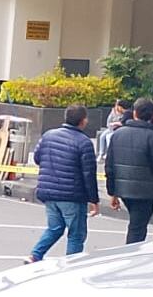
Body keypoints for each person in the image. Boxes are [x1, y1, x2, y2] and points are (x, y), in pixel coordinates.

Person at [28, 104, 100, 263]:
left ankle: (35, 255)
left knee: (55, 228)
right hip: (72, 196)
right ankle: (71, 264)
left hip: (48, 191)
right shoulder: (84, 142)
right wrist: (94, 200)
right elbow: (89, 174)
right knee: (76, 234)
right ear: (83, 121)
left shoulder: (48, 135)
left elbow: (37, 158)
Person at [105, 97, 153, 245]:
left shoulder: (118, 134)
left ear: (135, 113)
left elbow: (109, 166)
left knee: (135, 225)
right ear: (152, 116)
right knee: (137, 229)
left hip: (123, 189)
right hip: (145, 192)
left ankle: (131, 255)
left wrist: (112, 192)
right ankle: (131, 258)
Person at [97, 98, 131, 164]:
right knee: (102, 136)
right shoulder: (113, 112)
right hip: (111, 128)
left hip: (117, 129)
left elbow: (122, 123)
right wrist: (111, 125)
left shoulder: (126, 113)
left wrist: (114, 123)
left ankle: (108, 153)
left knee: (108, 137)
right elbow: (109, 122)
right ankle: (101, 154)